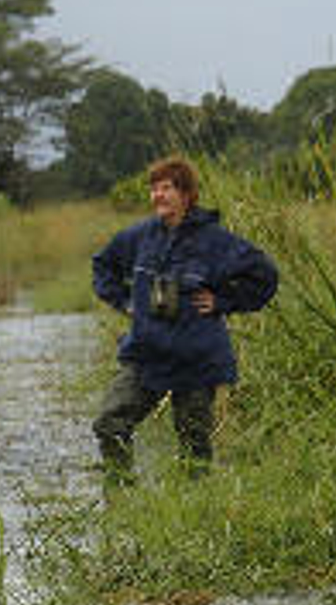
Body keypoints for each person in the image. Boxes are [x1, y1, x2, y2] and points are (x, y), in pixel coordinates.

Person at [91, 155, 278, 482]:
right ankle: (120, 494)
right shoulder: (139, 236)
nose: (157, 195)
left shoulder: (215, 241)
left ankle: (196, 502)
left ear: (187, 194)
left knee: (194, 446)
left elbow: (265, 275)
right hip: (147, 353)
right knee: (110, 422)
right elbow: (103, 265)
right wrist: (125, 301)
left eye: (166, 188)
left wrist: (224, 301)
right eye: (154, 189)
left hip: (196, 358)